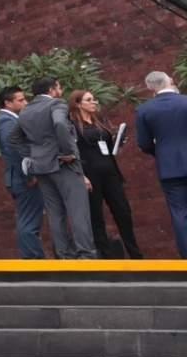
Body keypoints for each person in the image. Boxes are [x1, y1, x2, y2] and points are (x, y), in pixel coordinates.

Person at [10, 78, 95, 258]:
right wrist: (68, 151)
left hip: (41, 167)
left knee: (55, 213)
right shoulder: (57, 104)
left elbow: (14, 138)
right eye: (58, 87)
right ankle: (86, 253)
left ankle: (64, 254)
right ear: (51, 90)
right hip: (64, 164)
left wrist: (33, 153)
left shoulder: (26, 110)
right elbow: (59, 124)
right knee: (78, 209)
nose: (61, 90)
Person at [72, 89, 140, 258]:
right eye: (89, 100)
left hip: (110, 171)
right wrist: (81, 175)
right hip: (90, 173)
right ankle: (105, 253)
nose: (94, 102)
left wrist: (118, 140)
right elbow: (73, 152)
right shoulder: (72, 125)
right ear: (78, 104)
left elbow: (108, 147)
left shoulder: (99, 121)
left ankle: (135, 252)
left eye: (94, 99)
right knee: (96, 215)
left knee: (122, 210)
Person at [136, 71, 187, 257]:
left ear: (150, 88)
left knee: (179, 213)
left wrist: (160, 153)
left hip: (169, 169)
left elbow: (144, 143)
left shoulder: (144, 110)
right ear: (170, 81)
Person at [0, 86, 44, 258]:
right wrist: (30, 174)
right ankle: (33, 260)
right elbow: (14, 148)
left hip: (20, 177)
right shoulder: (7, 122)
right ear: (7, 103)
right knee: (29, 220)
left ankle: (32, 258)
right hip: (23, 179)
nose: (26, 103)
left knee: (29, 219)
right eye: (20, 100)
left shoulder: (8, 120)